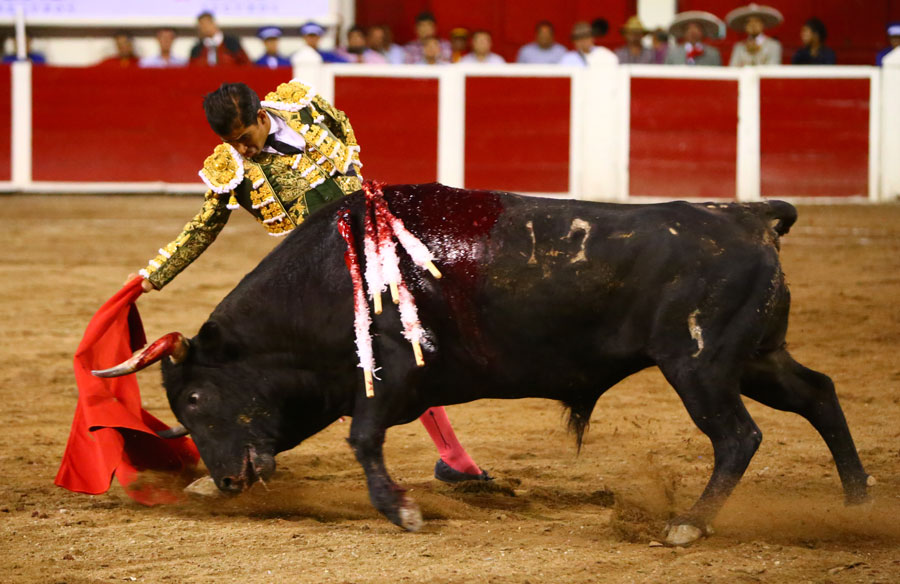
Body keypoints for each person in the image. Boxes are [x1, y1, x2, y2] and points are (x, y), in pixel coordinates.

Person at [130, 80, 491, 484]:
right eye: (233, 144)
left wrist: (355, 180)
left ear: (262, 118)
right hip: (321, 276)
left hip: (381, 240)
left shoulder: (301, 106)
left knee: (409, 343)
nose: (243, 151)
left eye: (246, 139)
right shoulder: (232, 170)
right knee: (395, 350)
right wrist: (151, 277)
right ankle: (454, 459)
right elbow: (202, 229)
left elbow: (343, 126)